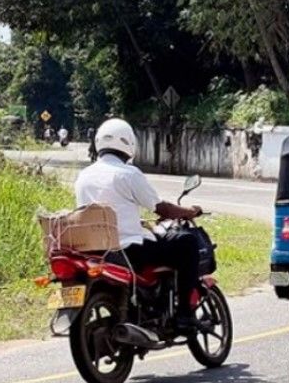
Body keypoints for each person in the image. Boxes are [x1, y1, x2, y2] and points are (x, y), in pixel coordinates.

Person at [74, 118, 203, 330]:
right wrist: (189, 212)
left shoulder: (83, 176)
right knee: (187, 243)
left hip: (96, 250)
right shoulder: (128, 173)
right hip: (130, 250)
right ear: (128, 143)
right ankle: (184, 314)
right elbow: (162, 209)